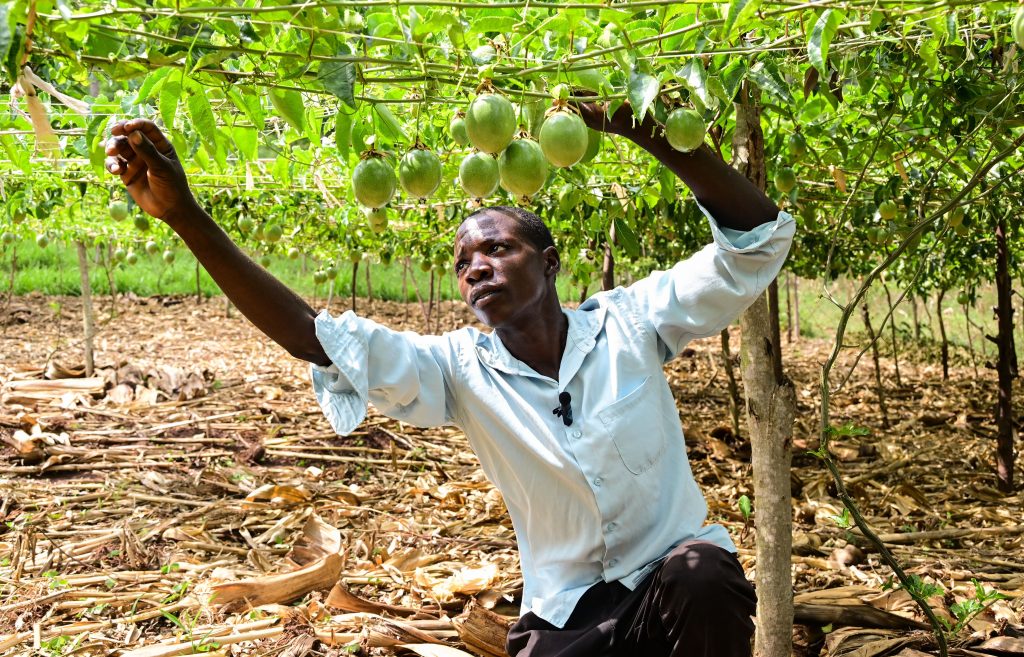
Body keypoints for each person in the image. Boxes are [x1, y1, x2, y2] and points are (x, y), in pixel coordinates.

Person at [105, 97, 794, 657]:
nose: (478, 267)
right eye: (465, 262)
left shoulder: (630, 322)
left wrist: (638, 121)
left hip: (674, 589)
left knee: (702, 572)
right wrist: (187, 218)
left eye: (499, 246)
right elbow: (315, 339)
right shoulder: (458, 370)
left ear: (550, 263)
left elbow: (756, 241)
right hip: (569, 616)